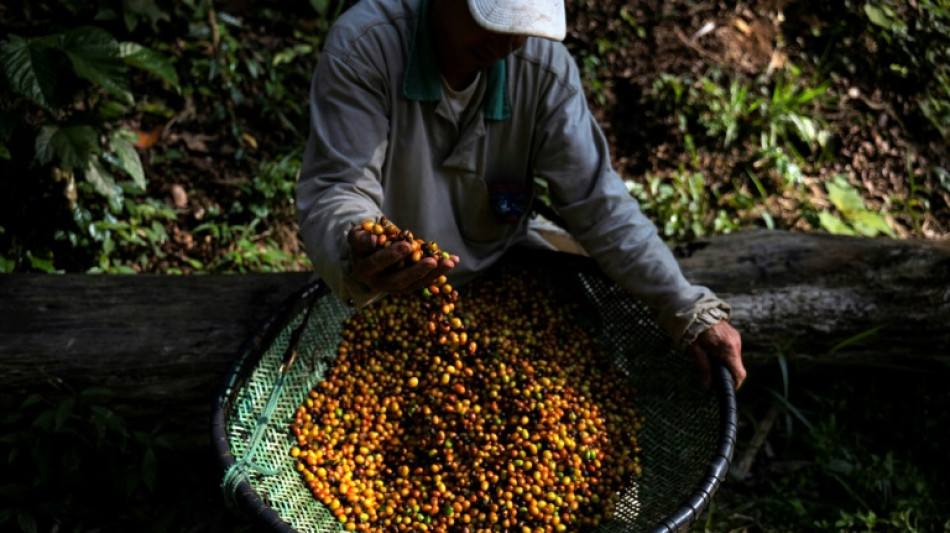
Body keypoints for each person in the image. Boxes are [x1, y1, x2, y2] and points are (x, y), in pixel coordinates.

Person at [296, 0, 747, 389]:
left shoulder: (543, 69)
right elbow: (339, 188)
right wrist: (361, 246)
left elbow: (599, 204)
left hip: (504, 268)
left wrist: (684, 304)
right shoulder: (366, 45)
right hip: (389, 298)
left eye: (521, 25)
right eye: (491, 19)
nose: (508, 41)